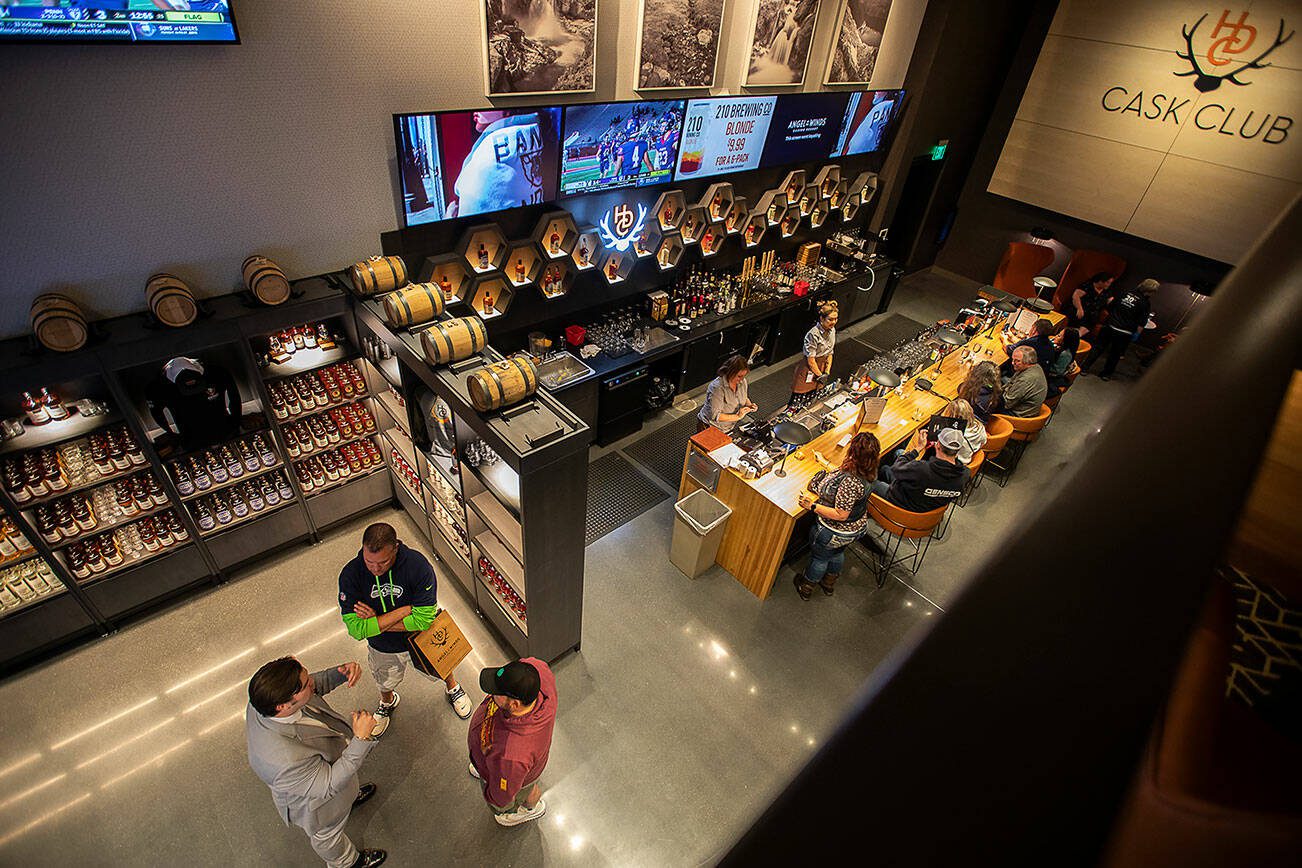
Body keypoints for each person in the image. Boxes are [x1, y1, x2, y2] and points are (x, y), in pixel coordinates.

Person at [245, 656, 386, 868]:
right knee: (328, 837)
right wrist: (361, 739)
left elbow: (310, 686)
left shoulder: (265, 699)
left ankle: (350, 798)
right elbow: (328, 785)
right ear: (282, 706)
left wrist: (337, 674)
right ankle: (347, 862)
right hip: (319, 805)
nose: (312, 681)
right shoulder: (283, 761)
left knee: (345, 790)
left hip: (329, 769)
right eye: (305, 684)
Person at [338, 522, 472, 737]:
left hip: (422, 638)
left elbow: (424, 621)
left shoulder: (417, 566)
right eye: (369, 561)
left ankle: (452, 688)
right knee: (383, 678)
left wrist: (376, 622)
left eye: (382, 563)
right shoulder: (351, 574)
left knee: (442, 665)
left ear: (396, 548)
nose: (375, 569)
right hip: (382, 647)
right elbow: (356, 630)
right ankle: (387, 702)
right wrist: (404, 611)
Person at [468, 658, 558, 827]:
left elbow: (501, 795)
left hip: (511, 775)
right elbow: (529, 663)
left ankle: (529, 809)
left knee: (524, 791)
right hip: (510, 764)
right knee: (525, 786)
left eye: (498, 692)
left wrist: (491, 790)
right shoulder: (538, 671)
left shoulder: (512, 755)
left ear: (515, 704)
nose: (492, 694)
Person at [793, 433, 880, 600]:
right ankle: (828, 584)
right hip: (856, 528)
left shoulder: (850, 482)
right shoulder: (870, 470)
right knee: (837, 553)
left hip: (834, 530)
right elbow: (842, 474)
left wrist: (812, 506)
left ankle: (806, 586)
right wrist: (824, 461)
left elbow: (841, 514)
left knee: (820, 558)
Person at [873, 428, 969, 513]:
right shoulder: (965, 474)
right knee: (885, 468)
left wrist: (918, 448)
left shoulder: (922, 469)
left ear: (938, 445)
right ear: (957, 451)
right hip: (929, 509)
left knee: (867, 480)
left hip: (903, 505)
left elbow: (896, 468)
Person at [1082, 278, 1159, 381]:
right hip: (1125, 332)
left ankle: (1084, 368)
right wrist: (1136, 335)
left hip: (1110, 326)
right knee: (1115, 354)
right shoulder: (1145, 303)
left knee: (1098, 348)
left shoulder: (1125, 293)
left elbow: (1109, 307)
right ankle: (1106, 374)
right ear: (1150, 292)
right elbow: (1141, 322)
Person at [790, 300, 838, 410]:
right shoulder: (813, 334)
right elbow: (810, 360)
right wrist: (820, 375)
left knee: (813, 397)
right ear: (821, 319)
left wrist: (827, 372)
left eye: (835, 319)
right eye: (830, 319)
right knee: (799, 397)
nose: (833, 322)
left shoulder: (832, 330)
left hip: (822, 368)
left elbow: (830, 353)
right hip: (810, 368)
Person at [698, 355, 757, 432]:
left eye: (744, 376)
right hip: (711, 427)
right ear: (730, 372)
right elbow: (715, 415)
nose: (741, 379)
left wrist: (750, 405)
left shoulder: (742, 381)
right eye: (739, 376)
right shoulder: (717, 388)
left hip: (728, 426)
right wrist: (738, 416)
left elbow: (744, 397)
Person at [999, 346, 1049, 417]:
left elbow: (1006, 403)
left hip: (1017, 414)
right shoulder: (1035, 366)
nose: (1013, 363)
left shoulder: (1026, 380)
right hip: (1019, 404)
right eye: (1013, 360)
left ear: (1028, 362)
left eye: (1017, 361)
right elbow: (1010, 383)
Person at [1062, 272, 1115, 337]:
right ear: (1101, 281)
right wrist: (1079, 308)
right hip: (1081, 309)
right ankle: (1066, 334)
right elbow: (1076, 296)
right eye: (1107, 282)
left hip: (1092, 314)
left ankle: (1077, 335)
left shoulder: (1106, 291)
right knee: (1075, 315)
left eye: (1110, 283)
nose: (1109, 285)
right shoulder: (1088, 286)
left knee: (1092, 320)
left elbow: (1108, 301)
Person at [940, 398, 988, 466]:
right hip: (966, 462)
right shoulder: (979, 427)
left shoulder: (953, 434)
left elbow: (941, 449)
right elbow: (983, 442)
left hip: (951, 465)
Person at [1047, 325, 1081, 393]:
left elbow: (1057, 371)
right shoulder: (1057, 344)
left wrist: (1043, 364)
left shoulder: (1065, 354)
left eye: (1059, 336)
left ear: (1066, 340)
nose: (1056, 336)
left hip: (1052, 376)